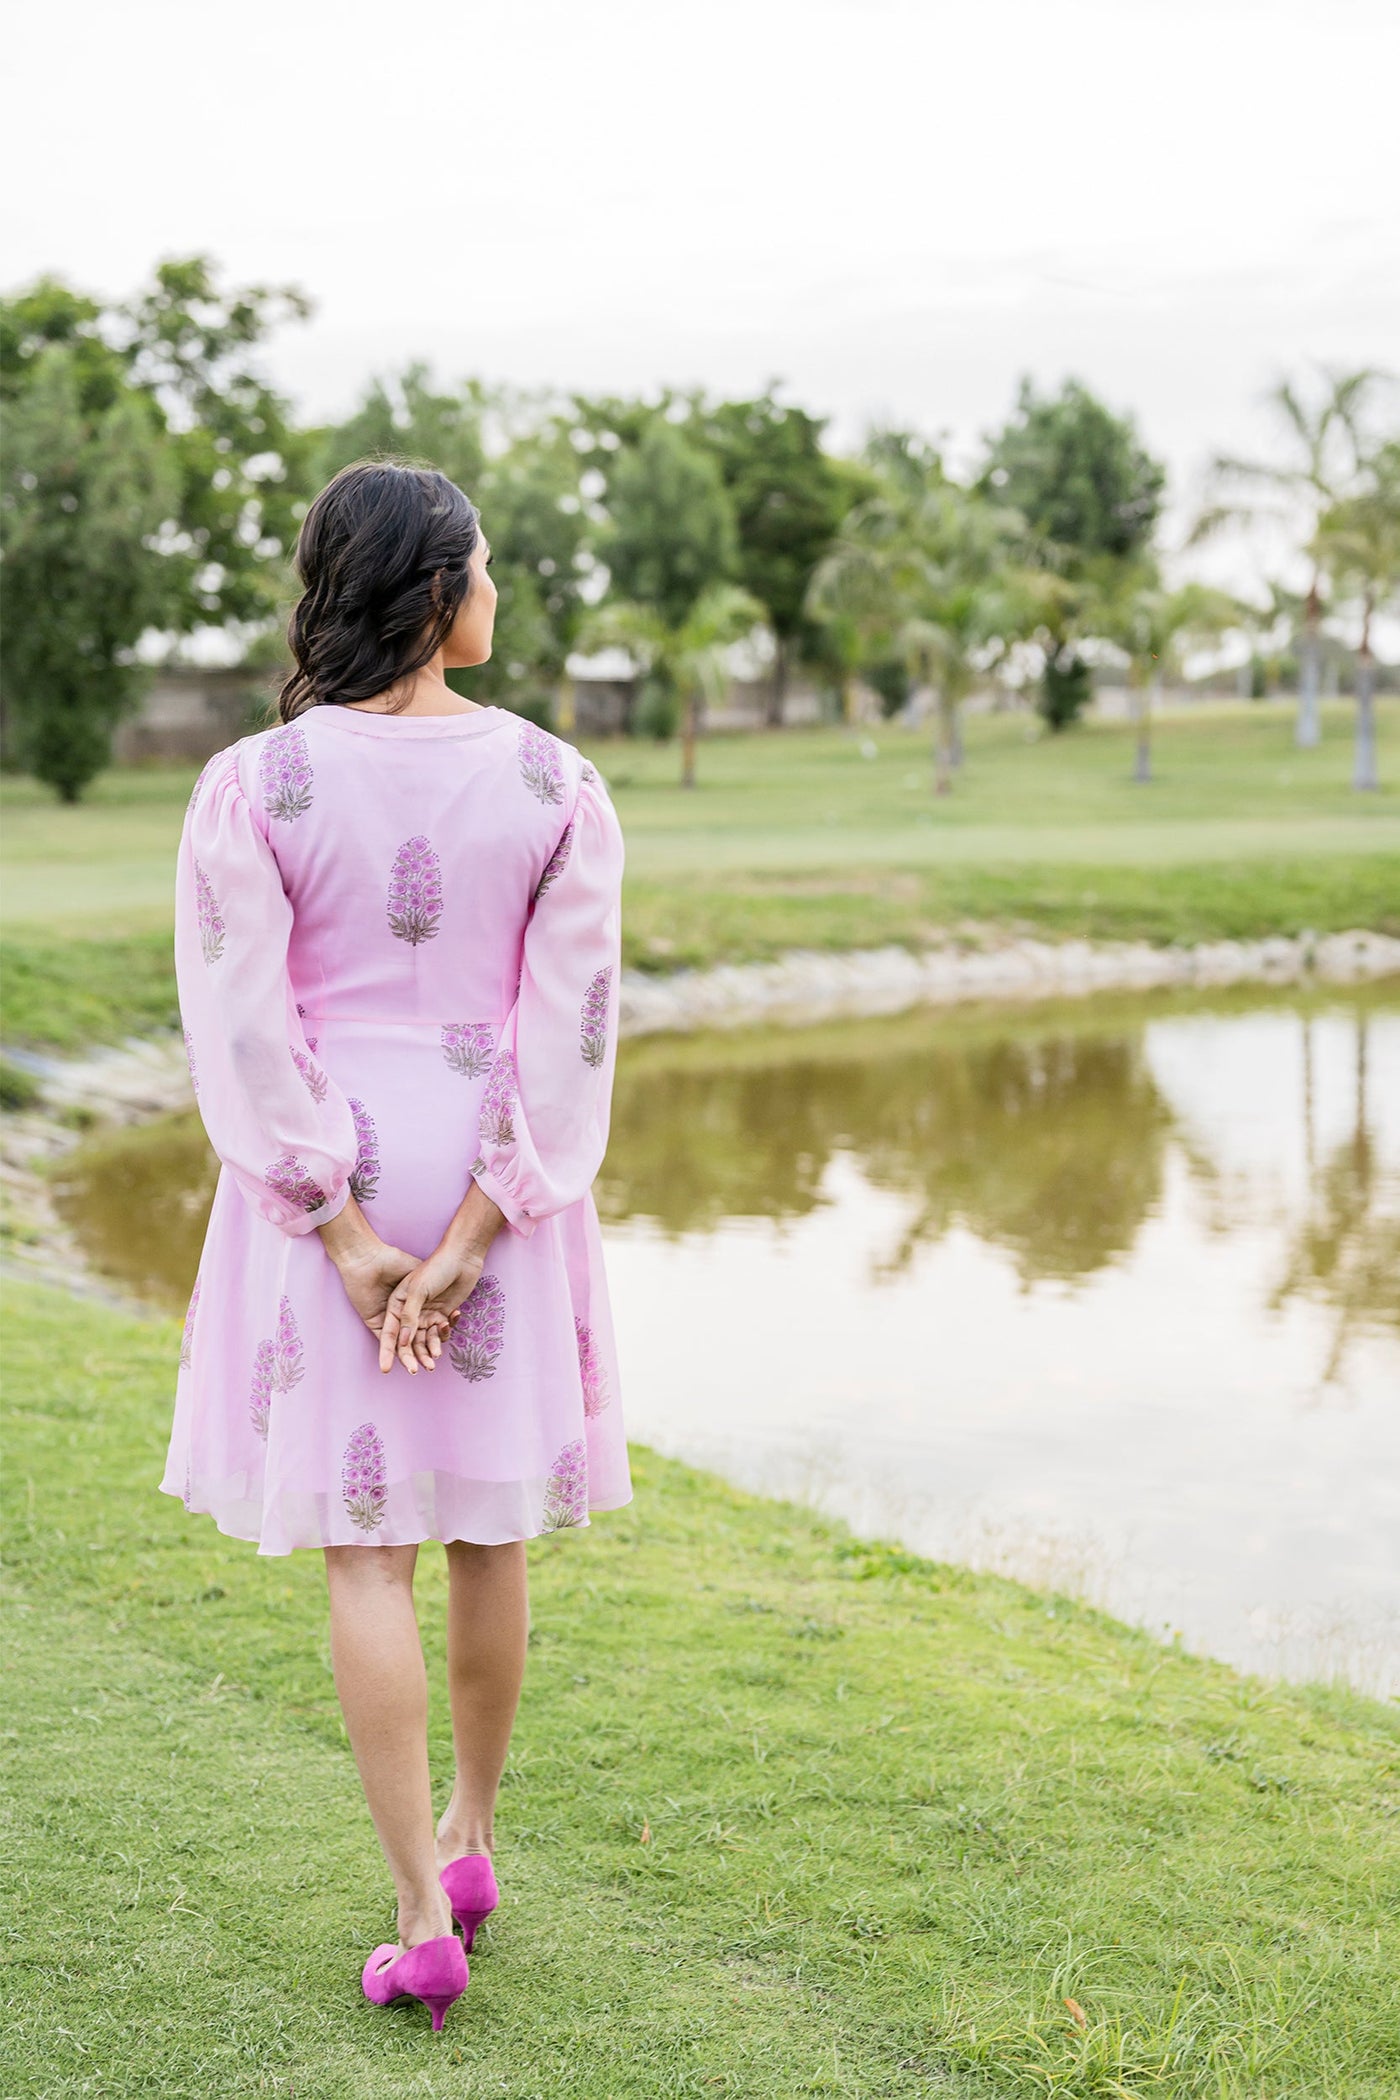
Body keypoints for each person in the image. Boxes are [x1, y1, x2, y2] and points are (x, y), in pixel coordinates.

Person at [162, 459, 630, 2033]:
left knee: (370, 1551)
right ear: (437, 592)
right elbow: (570, 1028)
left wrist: (345, 1231)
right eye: (486, 567)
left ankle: (425, 1915)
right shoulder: (559, 783)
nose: (500, 591)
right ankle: (474, 1841)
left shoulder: (254, 783)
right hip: (498, 1178)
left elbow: (240, 1022)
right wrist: (486, 1221)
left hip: (331, 1174)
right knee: (485, 1530)